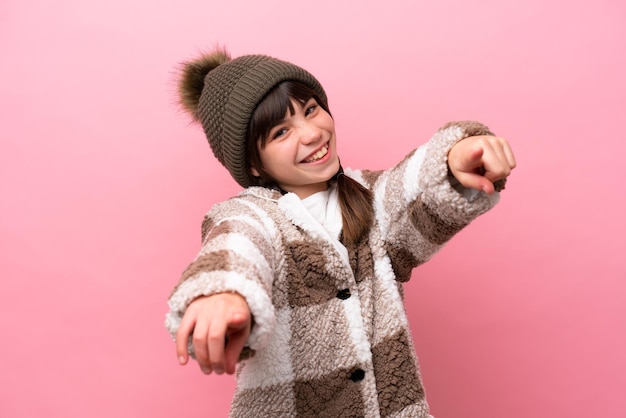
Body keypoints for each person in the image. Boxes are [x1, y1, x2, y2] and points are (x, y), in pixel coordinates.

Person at [165, 47, 516, 417]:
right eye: (282, 131)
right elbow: (236, 246)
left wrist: (456, 156)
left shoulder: (370, 198)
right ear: (253, 163)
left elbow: (414, 185)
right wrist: (223, 293)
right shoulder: (253, 216)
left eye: (311, 109)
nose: (312, 133)